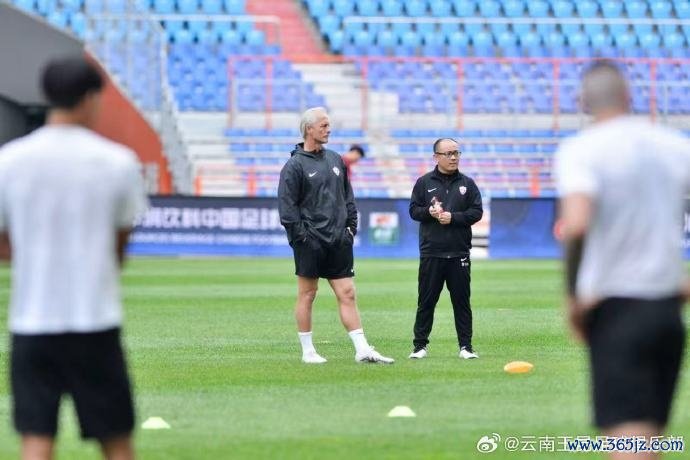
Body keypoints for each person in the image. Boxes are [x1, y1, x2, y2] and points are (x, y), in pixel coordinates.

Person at [0, 56, 147, 460]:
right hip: (94, 319)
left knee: (36, 440)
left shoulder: (9, 160)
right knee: (116, 440)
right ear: (90, 98)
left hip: (32, 320)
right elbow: (119, 246)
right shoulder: (117, 161)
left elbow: (3, 245)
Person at [555, 60, 689, 459]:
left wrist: (572, 296)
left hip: (617, 308)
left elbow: (577, 224)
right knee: (649, 439)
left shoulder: (581, 150)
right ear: (629, 96)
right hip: (667, 309)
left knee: (629, 443)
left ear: (583, 102)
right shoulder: (674, 145)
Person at [278, 107, 394, 364]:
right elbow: (287, 209)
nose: (328, 130)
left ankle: (362, 349)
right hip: (310, 241)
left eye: (328, 125)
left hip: (339, 240)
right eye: (324, 125)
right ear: (309, 129)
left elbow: (348, 197)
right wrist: (303, 238)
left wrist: (350, 228)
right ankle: (308, 352)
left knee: (348, 292)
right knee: (308, 294)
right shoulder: (294, 165)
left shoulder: (335, 159)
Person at [408, 138, 483, 360]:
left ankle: (466, 347)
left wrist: (454, 218)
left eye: (456, 153)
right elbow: (413, 211)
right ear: (436, 157)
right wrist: (429, 213)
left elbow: (476, 212)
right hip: (432, 252)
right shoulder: (424, 182)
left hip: (459, 252)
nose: (453, 157)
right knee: (426, 302)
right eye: (448, 153)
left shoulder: (468, 183)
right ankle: (419, 347)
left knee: (462, 303)